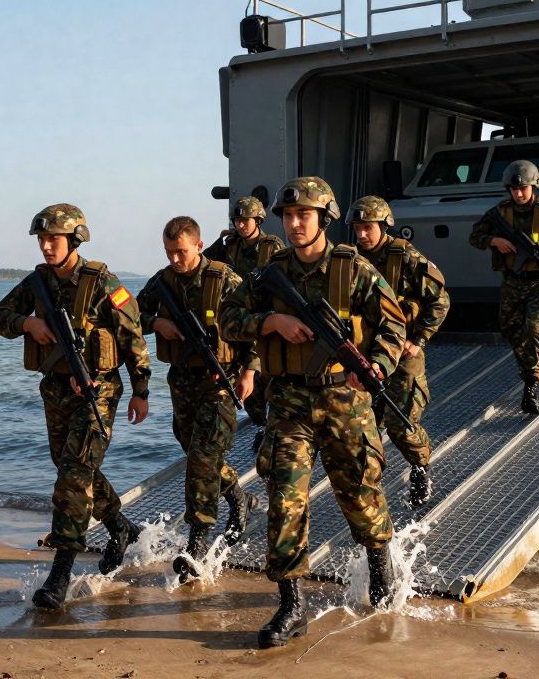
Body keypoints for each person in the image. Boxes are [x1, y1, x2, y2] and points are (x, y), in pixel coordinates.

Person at [221, 177, 406, 648]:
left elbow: (393, 324)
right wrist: (272, 321)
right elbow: (227, 318)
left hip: (345, 402)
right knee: (285, 501)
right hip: (288, 403)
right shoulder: (270, 273)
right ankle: (292, 606)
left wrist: (377, 366)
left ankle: (382, 573)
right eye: (288, 216)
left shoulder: (353, 268)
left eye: (303, 215)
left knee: (361, 495)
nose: (294, 223)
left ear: (324, 218)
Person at [0, 204, 151, 609]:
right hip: (56, 390)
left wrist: (141, 389)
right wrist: (28, 323)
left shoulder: (102, 282)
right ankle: (120, 526)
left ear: (75, 239)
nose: (46, 246)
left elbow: (132, 336)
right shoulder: (37, 282)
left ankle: (60, 573)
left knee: (73, 473)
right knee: (73, 467)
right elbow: (1, 317)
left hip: (99, 390)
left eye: (54, 239)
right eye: (42, 239)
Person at [136, 215, 261, 583]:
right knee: (196, 453)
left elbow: (254, 324)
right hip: (182, 381)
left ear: (199, 246)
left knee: (203, 459)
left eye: (181, 252)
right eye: (169, 252)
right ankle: (238, 498)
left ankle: (198, 540)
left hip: (219, 381)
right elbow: (129, 315)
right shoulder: (162, 282)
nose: (175, 259)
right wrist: (156, 323)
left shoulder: (224, 280)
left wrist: (250, 371)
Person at [346, 195, 450, 507]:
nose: (362, 234)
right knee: (363, 427)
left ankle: (421, 465)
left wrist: (418, 339)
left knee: (401, 424)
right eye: (357, 228)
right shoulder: (349, 260)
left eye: (367, 227)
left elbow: (440, 300)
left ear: (384, 225)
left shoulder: (404, 256)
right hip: (366, 355)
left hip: (403, 354)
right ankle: (370, 485)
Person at [469, 161, 539, 415]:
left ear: (534, 186)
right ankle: (529, 365)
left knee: (535, 331)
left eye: (523, 188)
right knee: (509, 327)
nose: (519, 193)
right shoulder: (500, 213)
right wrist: (494, 240)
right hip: (512, 282)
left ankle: (531, 383)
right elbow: (475, 236)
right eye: (514, 189)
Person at [204, 195, 285, 427]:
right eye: (237, 221)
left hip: (264, 318)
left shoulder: (271, 246)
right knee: (249, 395)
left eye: (245, 221)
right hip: (239, 319)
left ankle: (273, 427)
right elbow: (203, 262)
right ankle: (262, 424)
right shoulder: (231, 245)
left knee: (268, 381)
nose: (240, 225)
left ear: (257, 220)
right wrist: (219, 242)